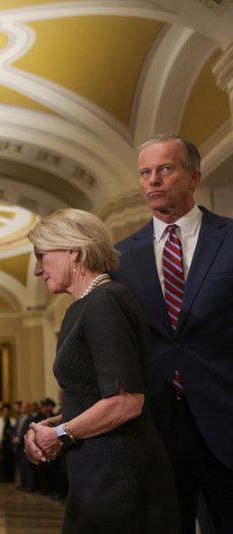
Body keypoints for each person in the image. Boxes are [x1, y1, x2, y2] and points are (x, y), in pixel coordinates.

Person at [25, 208, 179, 533]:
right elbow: (90, 396)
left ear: (74, 251)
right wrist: (46, 428)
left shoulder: (106, 301)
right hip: (93, 469)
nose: (38, 270)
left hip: (120, 474)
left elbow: (126, 401)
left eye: (42, 256)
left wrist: (60, 435)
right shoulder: (80, 308)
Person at [114, 134, 233, 533]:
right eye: (145, 173)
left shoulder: (230, 239)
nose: (153, 181)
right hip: (156, 427)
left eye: (165, 169)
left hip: (225, 419)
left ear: (194, 176)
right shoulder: (120, 257)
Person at [0, 403, 16, 483]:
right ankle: (4, 478)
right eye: (4, 411)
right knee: (3, 461)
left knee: (10, 461)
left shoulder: (13, 421)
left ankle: (11, 478)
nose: (6, 413)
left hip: (10, 444)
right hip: (2, 443)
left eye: (7, 411)